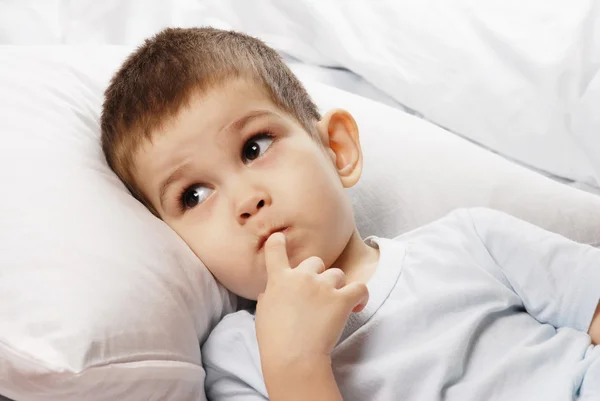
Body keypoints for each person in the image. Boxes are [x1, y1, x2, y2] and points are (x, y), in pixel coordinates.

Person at [100, 27, 600, 401]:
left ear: (337, 149)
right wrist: (295, 365)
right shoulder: (239, 361)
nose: (245, 200)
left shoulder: (470, 241)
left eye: (255, 147)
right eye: (193, 195)